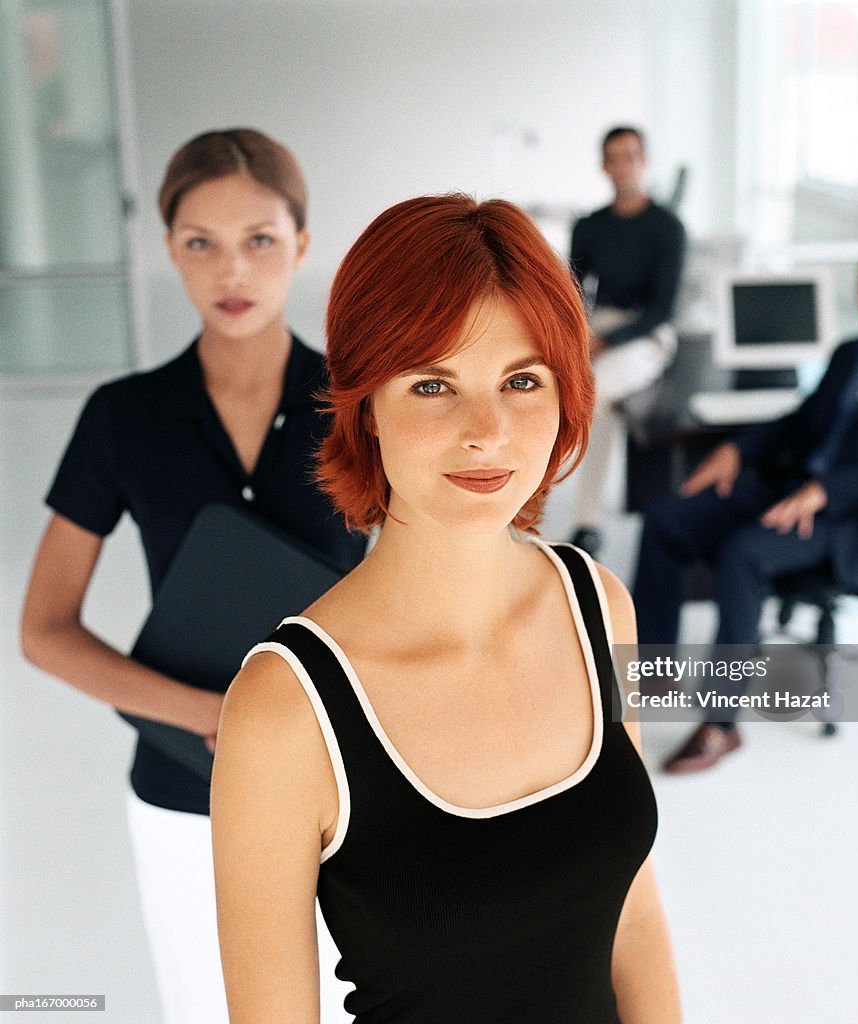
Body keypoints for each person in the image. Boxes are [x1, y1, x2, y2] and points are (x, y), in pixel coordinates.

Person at [211, 194, 683, 1023]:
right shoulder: (284, 711)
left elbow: (634, 915)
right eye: (433, 383)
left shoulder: (600, 607)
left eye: (522, 380)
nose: (488, 430)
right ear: (365, 403)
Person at [20, 128, 365, 1023]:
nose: (231, 271)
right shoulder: (123, 417)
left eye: (259, 240)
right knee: (205, 1004)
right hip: (184, 792)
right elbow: (44, 629)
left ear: (302, 244)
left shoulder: (366, 409)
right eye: (200, 243)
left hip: (347, 778)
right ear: (169, 248)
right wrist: (214, 717)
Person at [632, 245, 858, 773]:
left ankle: (721, 726)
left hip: (853, 521)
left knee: (744, 552)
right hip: (793, 490)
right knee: (667, 517)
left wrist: (828, 490)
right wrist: (735, 450)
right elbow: (798, 422)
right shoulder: (850, 353)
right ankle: (652, 672)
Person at [567, 125, 686, 557]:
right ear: (603, 165)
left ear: (645, 161)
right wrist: (580, 333)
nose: (623, 166)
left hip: (646, 333)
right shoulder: (590, 225)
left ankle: (586, 520)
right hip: (599, 325)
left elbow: (662, 310)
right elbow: (573, 289)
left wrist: (605, 341)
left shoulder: (667, 227)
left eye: (631, 156)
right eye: (614, 157)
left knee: (594, 394)